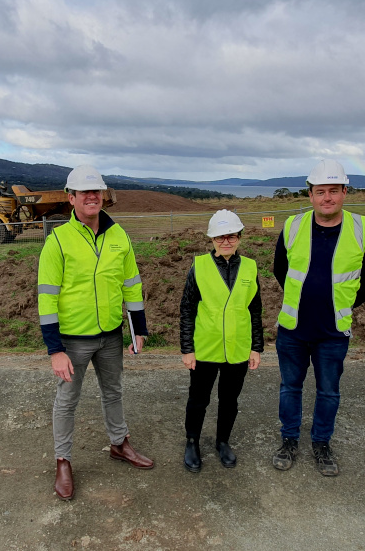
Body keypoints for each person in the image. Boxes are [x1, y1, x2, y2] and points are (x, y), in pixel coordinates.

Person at [37, 165, 153, 501]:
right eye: (84, 192)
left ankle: (119, 444)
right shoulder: (58, 240)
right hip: (72, 340)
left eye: (96, 191)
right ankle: (63, 461)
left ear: (103, 196)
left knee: (113, 391)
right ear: (71, 198)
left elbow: (132, 284)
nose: (91, 197)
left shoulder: (119, 236)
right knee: (67, 401)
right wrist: (54, 349)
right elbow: (46, 297)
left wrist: (139, 329)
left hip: (110, 336)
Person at [272, 159, 365, 476]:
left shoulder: (362, 229)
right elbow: (281, 270)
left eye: (334, 191)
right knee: (289, 388)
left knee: (329, 391)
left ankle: (322, 442)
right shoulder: (292, 226)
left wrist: (344, 304)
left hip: (333, 332)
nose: (327, 198)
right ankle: (289, 439)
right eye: (321, 192)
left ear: (345, 192)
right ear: (311, 195)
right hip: (293, 329)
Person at [179, 210, 263, 473]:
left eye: (232, 236)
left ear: (239, 238)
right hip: (205, 348)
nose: (226, 242)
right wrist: (187, 349)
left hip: (238, 348)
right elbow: (187, 309)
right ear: (211, 239)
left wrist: (256, 347)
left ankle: (222, 441)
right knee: (198, 400)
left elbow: (255, 310)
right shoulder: (199, 266)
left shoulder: (250, 267)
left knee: (230, 400)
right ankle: (192, 441)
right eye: (220, 237)